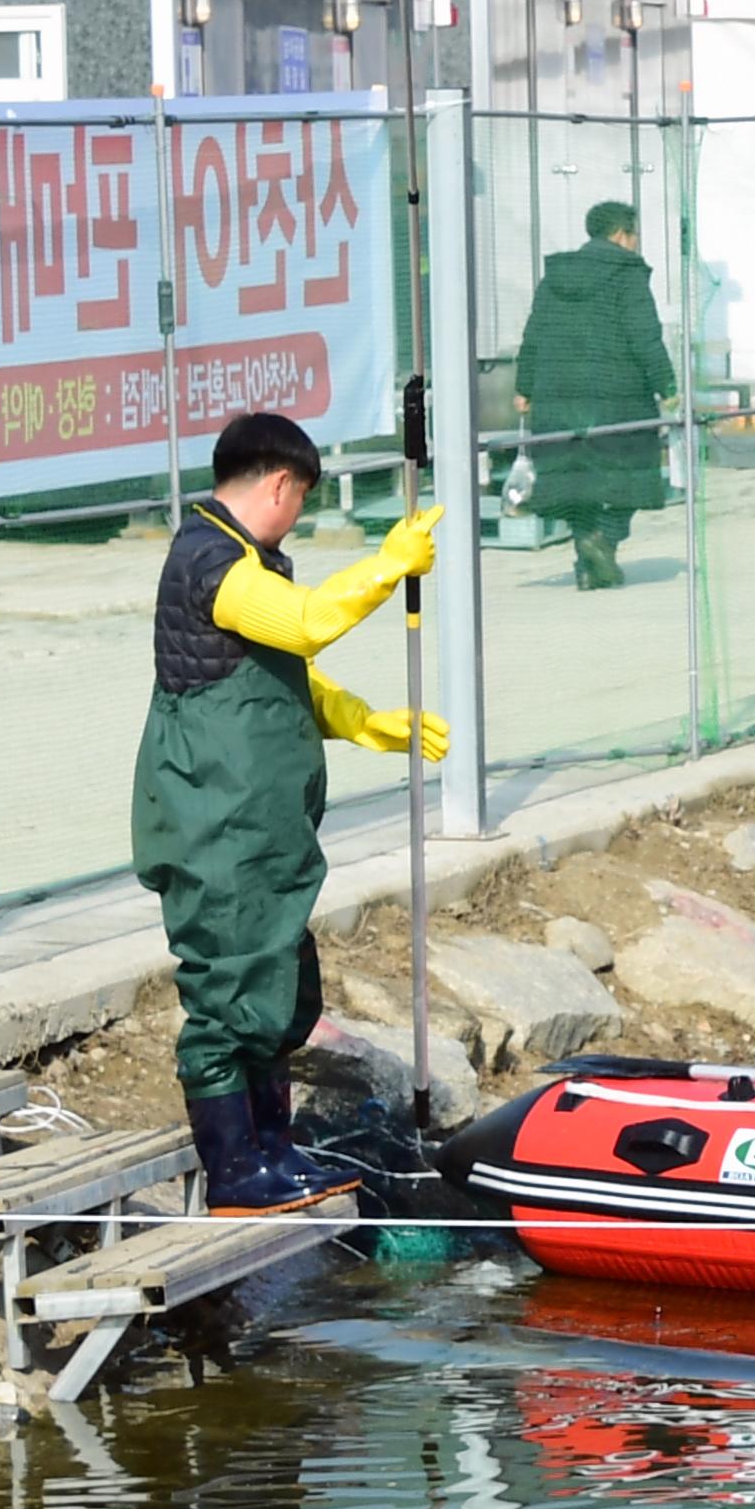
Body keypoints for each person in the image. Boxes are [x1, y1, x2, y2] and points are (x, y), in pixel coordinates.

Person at [130, 412, 445, 1212]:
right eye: (300, 496)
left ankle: (276, 1149)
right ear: (278, 484)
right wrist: (386, 565)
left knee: (273, 982)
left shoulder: (250, 559)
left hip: (263, 826)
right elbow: (306, 627)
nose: (298, 512)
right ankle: (237, 1171)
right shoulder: (207, 562)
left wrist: (368, 723)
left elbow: (287, 679)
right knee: (227, 989)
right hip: (216, 820)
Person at [511, 200, 676, 591]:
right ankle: (603, 541)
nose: (636, 243)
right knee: (630, 474)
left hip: (557, 395)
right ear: (622, 234)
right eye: (634, 234)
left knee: (574, 480)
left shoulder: (555, 277)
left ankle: (589, 559)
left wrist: (524, 386)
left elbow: (534, 334)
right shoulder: (627, 275)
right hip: (616, 396)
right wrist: (666, 385)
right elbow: (645, 337)